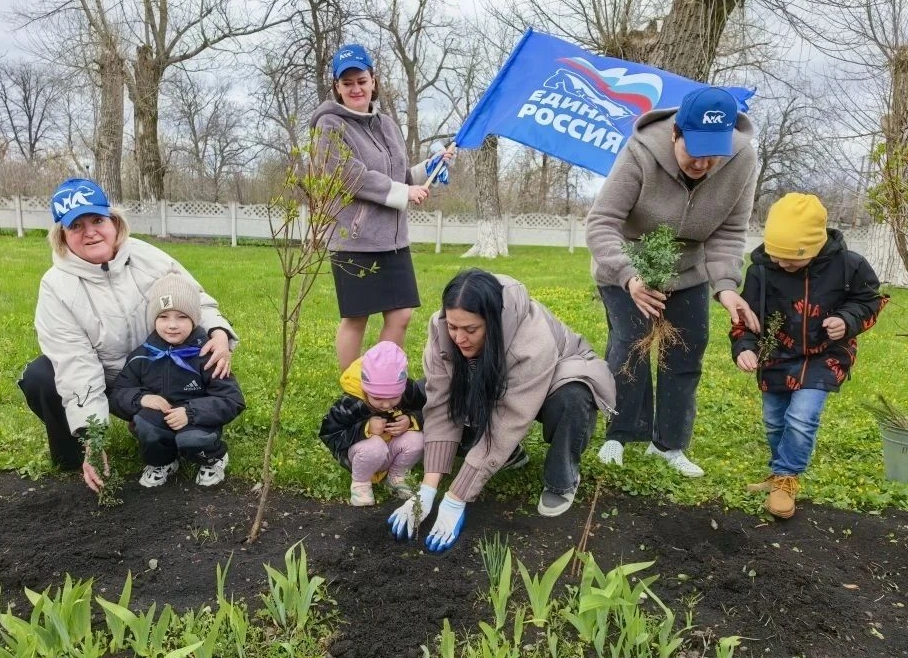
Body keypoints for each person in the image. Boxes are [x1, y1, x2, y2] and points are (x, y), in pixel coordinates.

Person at [19, 178, 238, 492]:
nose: (90, 231)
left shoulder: (146, 256)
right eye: (76, 226)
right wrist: (93, 437)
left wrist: (218, 330)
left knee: (202, 351)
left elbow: (191, 297)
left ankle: (188, 428)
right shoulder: (56, 286)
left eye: (97, 220)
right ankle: (78, 453)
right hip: (111, 381)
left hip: (163, 369)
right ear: (62, 237)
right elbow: (76, 365)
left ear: (114, 221)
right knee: (41, 375)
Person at [586, 86, 761, 478]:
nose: (703, 163)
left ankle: (668, 444)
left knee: (685, 350)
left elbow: (729, 232)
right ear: (675, 134)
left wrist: (727, 286)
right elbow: (602, 222)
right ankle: (621, 434)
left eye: (713, 153)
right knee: (630, 346)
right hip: (630, 263)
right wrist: (630, 277)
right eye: (694, 152)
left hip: (689, 270)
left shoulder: (742, 159)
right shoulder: (639, 152)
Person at [387, 269, 616, 552]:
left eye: (471, 329)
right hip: (500, 373)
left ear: (493, 322)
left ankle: (562, 480)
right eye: (454, 327)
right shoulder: (441, 329)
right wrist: (428, 489)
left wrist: (456, 497)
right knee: (455, 391)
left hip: (559, 375)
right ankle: (511, 456)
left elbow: (507, 421)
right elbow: (442, 406)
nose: (459, 338)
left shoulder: (531, 340)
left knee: (572, 400)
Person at [731, 193, 886, 518]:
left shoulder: (850, 266)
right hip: (776, 354)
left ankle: (787, 477)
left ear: (815, 247)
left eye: (792, 258)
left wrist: (847, 320)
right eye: (778, 256)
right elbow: (746, 317)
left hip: (824, 356)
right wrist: (744, 347)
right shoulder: (762, 271)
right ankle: (779, 473)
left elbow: (870, 301)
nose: (783, 264)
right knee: (775, 421)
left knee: (801, 418)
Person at [309, 42, 453, 370]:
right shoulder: (329, 125)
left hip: (394, 240)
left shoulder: (386, 124)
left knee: (401, 314)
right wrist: (403, 193)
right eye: (347, 83)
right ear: (337, 87)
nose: (356, 88)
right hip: (354, 239)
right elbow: (346, 175)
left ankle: (381, 381)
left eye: (361, 80)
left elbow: (398, 175)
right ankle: (354, 391)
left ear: (373, 80)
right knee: (356, 319)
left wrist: (429, 166)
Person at [109, 274, 245, 488]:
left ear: (195, 318)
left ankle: (213, 457)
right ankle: (163, 461)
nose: (172, 325)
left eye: (181, 317)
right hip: (161, 418)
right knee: (145, 424)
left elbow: (231, 399)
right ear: (153, 319)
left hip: (196, 420)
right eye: (163, 317)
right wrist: (141, 399)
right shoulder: (142, 355)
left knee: (191, 440)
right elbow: (117, 394)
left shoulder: (208, 355)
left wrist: (190, 413)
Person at [318, 341, 426, 507]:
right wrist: (365, 428)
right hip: (360, 454)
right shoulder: (351, 402)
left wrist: (411, 420)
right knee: (375, 446)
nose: (386, 405)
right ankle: (361, 483)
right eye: (377, 398)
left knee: (418, 439)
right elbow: (329, 434)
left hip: (391, 448)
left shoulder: (409, 391)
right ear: (365, 387)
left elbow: (426, 411)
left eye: (394, 398)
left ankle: (396, 476)